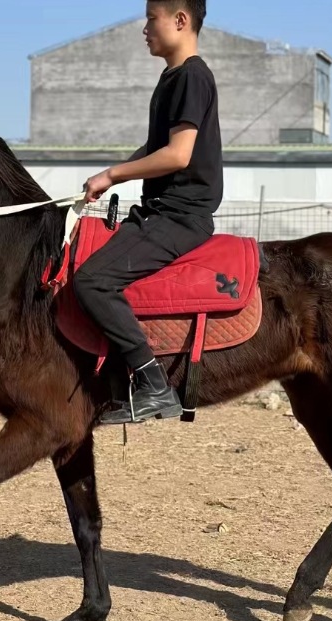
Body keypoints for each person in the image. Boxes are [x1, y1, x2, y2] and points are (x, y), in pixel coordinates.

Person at [75, 0, 222, 424]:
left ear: (180, 20)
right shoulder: (172, 76)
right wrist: (112, 177)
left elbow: (178, 155)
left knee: (93, 281)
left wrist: (113, 173)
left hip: (179, 215)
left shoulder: (192, 76)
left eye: (150, 19)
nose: (144, 28)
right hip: (161, 209)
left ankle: (154, 384)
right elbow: (159, 148)